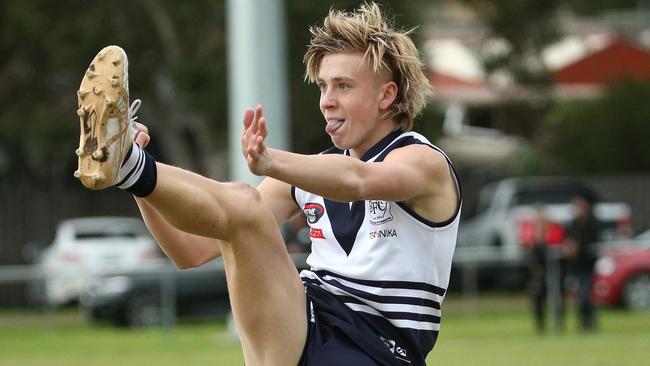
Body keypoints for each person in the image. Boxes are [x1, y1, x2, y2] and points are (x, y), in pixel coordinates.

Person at [74, 3, 461, 365]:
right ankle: (128, 165)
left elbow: (359, 181)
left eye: (343, 86)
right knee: (243, 204)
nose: (326, 100)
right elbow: (189, 251)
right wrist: (138, 185)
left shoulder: (422, 161)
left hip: (377, 351)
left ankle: (128, 163)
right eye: (323, 87)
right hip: (303, 328)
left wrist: (271, 162)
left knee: (245, 201)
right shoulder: (313, 174)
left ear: (386, 96)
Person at [565, 194, 599, 332]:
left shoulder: (592, 222)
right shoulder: (574, 223)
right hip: (575, 266)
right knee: (580, 295)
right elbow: (569, 238)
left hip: (588, 264)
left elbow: (593, 242)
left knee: (585, 294)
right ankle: (585, 323)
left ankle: (589, 323)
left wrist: (577, 248)